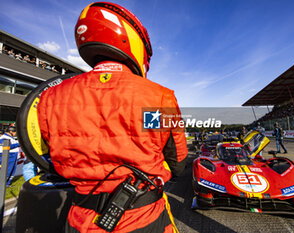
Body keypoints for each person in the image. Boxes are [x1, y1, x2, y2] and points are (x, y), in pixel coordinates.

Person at [37, 2, 188, 233]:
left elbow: (48, 155)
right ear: (132, 41)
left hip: (79, 218)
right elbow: (178, 160)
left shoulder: (50, 97)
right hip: (142, 217)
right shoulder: (161, 97)